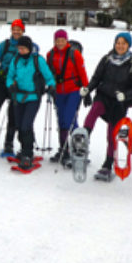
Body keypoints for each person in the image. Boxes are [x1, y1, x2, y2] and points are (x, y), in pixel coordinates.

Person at [80, 32, 132, 181]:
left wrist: (125, 96)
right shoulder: (107, 59)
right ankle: (84, 137)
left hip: (118, 103)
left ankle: (108, 165)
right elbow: (97, 77)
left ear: (128, 45)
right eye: (118, 43)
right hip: (103, 96)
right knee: (94, 110)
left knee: (112, 134)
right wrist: (88, 88)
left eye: (123, 43)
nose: (120, 46)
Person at [0, 18, 38, 157]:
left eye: (19, 29)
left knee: (13, 114)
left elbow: (35, 59)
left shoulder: (29, 46)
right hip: (1, 81)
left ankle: (9, 143)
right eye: (14, 29)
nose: (16, 31)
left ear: (23, 30)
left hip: (17, 85)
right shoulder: (4, 45)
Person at [6, 36, 56, 170]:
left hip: (33, 98)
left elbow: (49, 76)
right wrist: (10, 85)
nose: (20, 50)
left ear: (29, 48)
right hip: (18, 96)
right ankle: (24, 149)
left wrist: (51, 86)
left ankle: (27, 154)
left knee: (25, 125)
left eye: (23, 48)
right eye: (19, 48)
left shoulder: (37, 60)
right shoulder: (15, 60)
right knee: (19, 125)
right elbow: (10, 76)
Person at [46, 29, 89, 166]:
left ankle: (79, 150)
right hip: (58, 91)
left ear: (66, 40)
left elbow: (82, 73)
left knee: (70, 119)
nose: (60, 43)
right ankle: (64, 149)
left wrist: (86, 91)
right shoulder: (50, 54)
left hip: (74, 90)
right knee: (61, 121)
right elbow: (49, 72)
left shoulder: (74, 54)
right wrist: (49, 86)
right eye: (57, 40)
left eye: (62, 40)